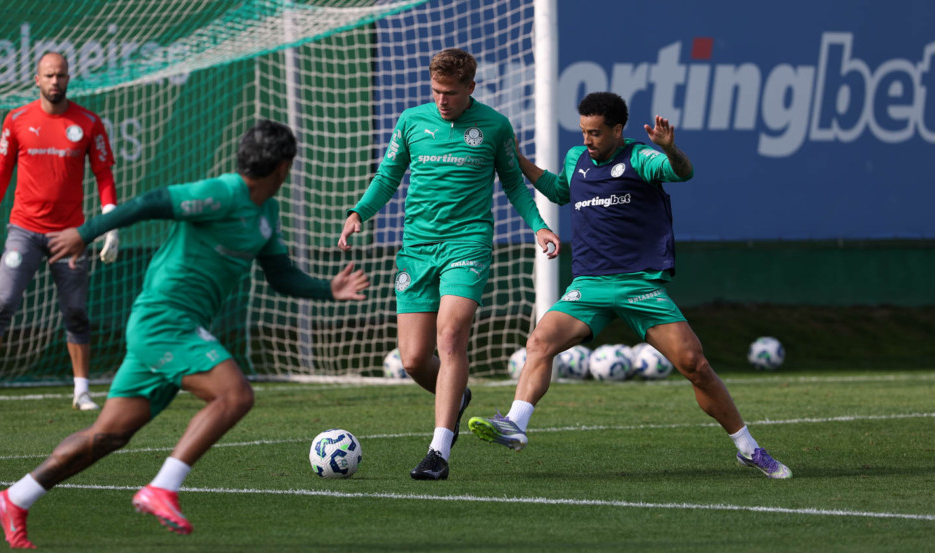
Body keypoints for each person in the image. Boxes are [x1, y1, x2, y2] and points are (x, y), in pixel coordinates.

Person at [0, 119, 371, 549]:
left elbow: (279, 275)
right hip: (164, 321)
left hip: (172, 328)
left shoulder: (266, 213)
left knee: (109, 435)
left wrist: (327, 289)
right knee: (236, 395)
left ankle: (15, 499)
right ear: (284, 167)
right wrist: (84, 233)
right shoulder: (223, 193)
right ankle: (162, 488)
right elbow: (152, 202)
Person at [468, 92, 792, 479]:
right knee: (540, 342)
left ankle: (748, 448)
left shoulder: (641, 158)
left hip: (640, 285)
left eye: (596, 132)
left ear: (618, 129)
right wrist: (519, 160)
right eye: (583, 131)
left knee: (696, 366)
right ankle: (515, 424)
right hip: (589, 285)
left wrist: (671, 150)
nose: (587, 140)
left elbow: (682, 173)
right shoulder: (577, 158)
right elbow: (559, 191)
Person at [338, 48, 560, 481]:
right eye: (436, 90)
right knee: (415, 359)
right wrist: (357, 214)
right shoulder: (410, 121)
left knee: (451, 336)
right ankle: (457, 397)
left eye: (452, 93)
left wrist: (539, 226)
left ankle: (438, 452)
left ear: (471, 88)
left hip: (467, 244)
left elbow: (514, 183)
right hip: (416, 250)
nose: (442, 100)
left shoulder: (495, 126)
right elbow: (386, 178)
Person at [0, 52, 119, 411]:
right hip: (23, 231)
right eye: (49, 75)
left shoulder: (89, 123)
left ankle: (82, 392)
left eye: (60, 75)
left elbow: (104, 175)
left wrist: (110, 223)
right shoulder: (16, 119)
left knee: (76, 311)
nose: (55, 81)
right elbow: (1, 170)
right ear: (37, 79)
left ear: (69, 78)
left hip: (70, 234)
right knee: (1, 304)